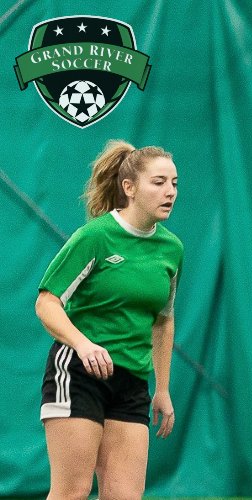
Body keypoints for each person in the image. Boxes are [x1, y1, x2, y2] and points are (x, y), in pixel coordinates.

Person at [35, 140, 182, 499]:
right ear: (129, 188)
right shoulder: (95, 237)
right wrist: (83, 345)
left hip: (131, 382)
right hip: (79, 375)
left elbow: (163, 320)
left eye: (175, 183)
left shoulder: (171, 248)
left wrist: (161, 388)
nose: (170, 192)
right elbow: (47, 302)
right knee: (73, 491)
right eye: (159, 182)